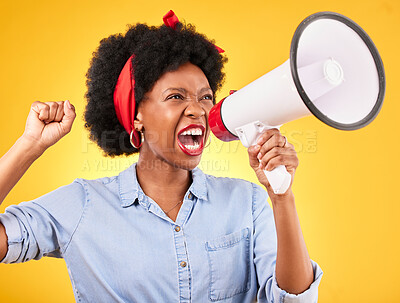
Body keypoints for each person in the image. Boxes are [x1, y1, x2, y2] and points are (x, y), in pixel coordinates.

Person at [0, 10, 322, 303]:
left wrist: (282, 197)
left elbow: (295, 301)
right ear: (136, 114)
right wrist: (30, 145)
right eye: (176, 96)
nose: (197, 109)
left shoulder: (247, 202)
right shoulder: (83, 205)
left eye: (206, 97)